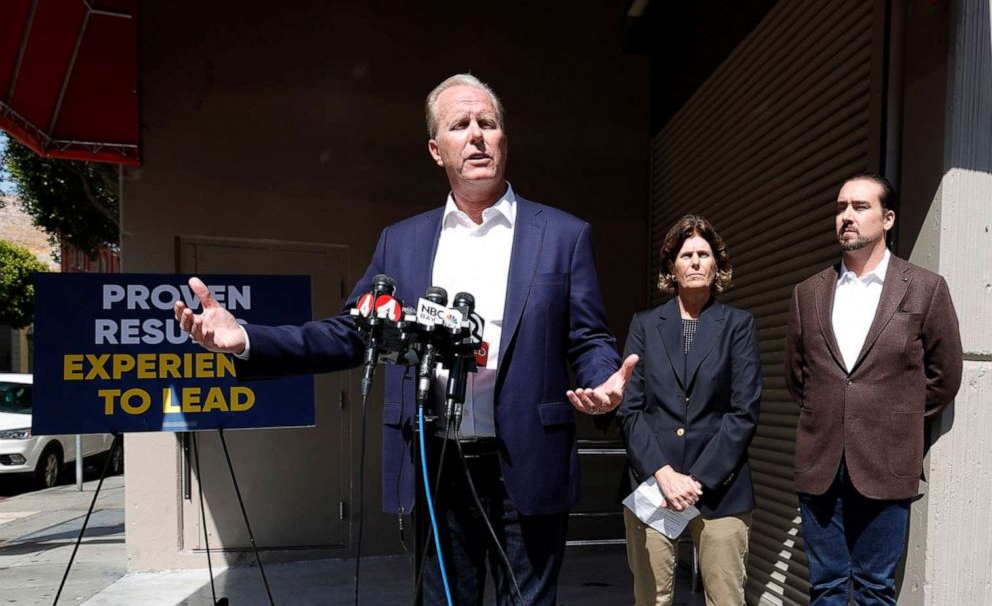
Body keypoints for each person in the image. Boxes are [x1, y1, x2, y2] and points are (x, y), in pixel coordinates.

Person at [174, 73, 639, 606]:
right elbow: (352, 332)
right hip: (436, 465)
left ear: (505, 140)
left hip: (528, 465)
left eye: (487, 123)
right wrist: (246, 340)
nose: (477, 135)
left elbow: (588, 337)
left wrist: (605, 379)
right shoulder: (402, 242)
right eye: (459, 125)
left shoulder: (562, 234)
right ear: (436, 150)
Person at [784, 174, 963, 605]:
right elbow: (797, 376)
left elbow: (945, 375)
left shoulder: (925, 287)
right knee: (825, 588)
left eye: (860, 207)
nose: (847, 215)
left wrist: (894, 416)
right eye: (841, 206)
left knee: (875, 590)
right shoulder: (808, 293)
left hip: (887, 462)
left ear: (887, 218)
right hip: (820, 463)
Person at [615, 214, 761, 606]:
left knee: (726, 599)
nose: (695, 262)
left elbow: (743, 411)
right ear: (671, 267)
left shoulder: (738, 325)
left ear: (717, 265)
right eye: (686, 254)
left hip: (720, 489)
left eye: (704, 254)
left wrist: (694, 480)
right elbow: (630, 410)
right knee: (652, 599)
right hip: (653, 484)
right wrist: (663, 474)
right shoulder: (644, 325)